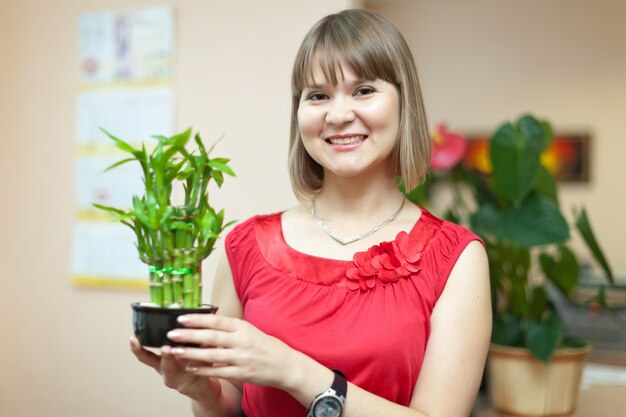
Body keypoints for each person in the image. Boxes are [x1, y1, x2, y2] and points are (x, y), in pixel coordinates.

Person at [131, 8, 491, 417]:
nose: (338, 115)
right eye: (317, 96)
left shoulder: (456, 258)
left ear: (403, 102)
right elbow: (229, 406)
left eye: (363, 90)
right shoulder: (246, 246)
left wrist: (292, 371)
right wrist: (204, 391)